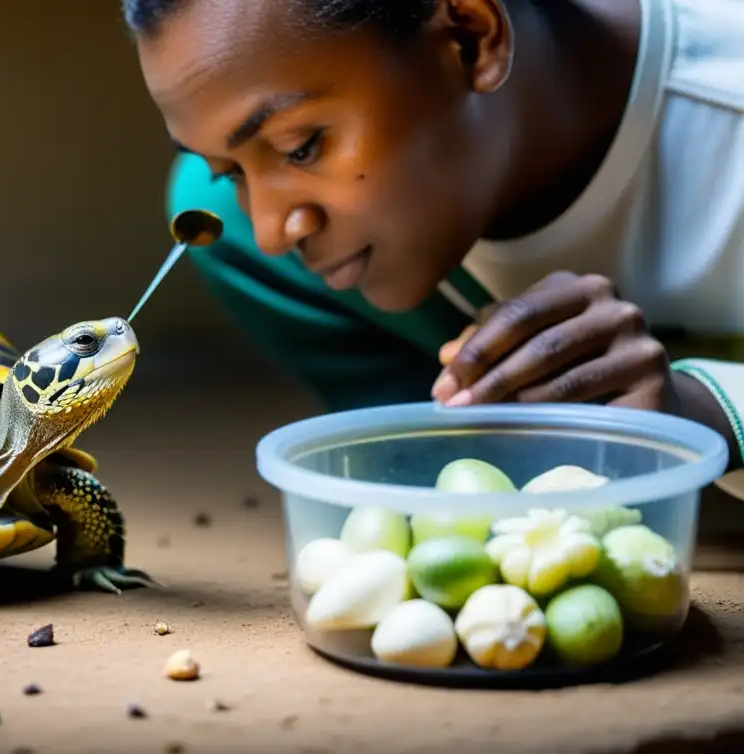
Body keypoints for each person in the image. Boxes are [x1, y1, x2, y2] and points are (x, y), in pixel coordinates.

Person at [120, 0, 744, 480]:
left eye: (300, 147)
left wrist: (711, 410)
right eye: (232, 167)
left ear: (471, 36)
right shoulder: (254, 244)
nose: (273, 233)